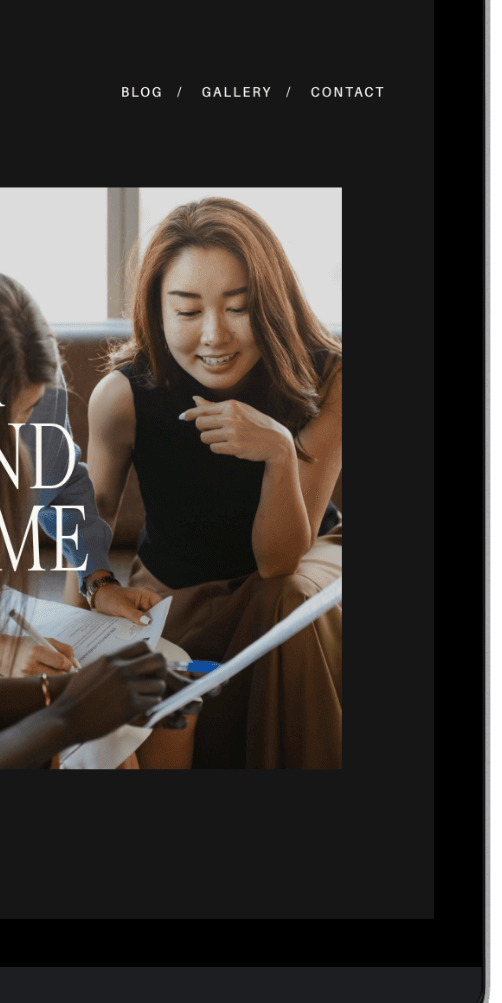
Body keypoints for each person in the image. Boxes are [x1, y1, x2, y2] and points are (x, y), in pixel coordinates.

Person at [0, 226, 198, 768]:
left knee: (166, 672)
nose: (21, 434)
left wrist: (96, 579)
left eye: (30, 411)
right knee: (99, 727)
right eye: (7, 418)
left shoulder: (39, 395)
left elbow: (64, 484)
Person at [86, 197, 343, 769]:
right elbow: (89, 518)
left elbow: (280, 561)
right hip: (179, 582)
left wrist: (279, 452)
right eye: (187, 310)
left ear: (271, 304)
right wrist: (94, 587)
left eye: (239, 307)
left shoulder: (330, 376)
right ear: (156, 311)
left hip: (305, 566)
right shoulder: (122, 396)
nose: (214, 336)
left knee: (285, 598)